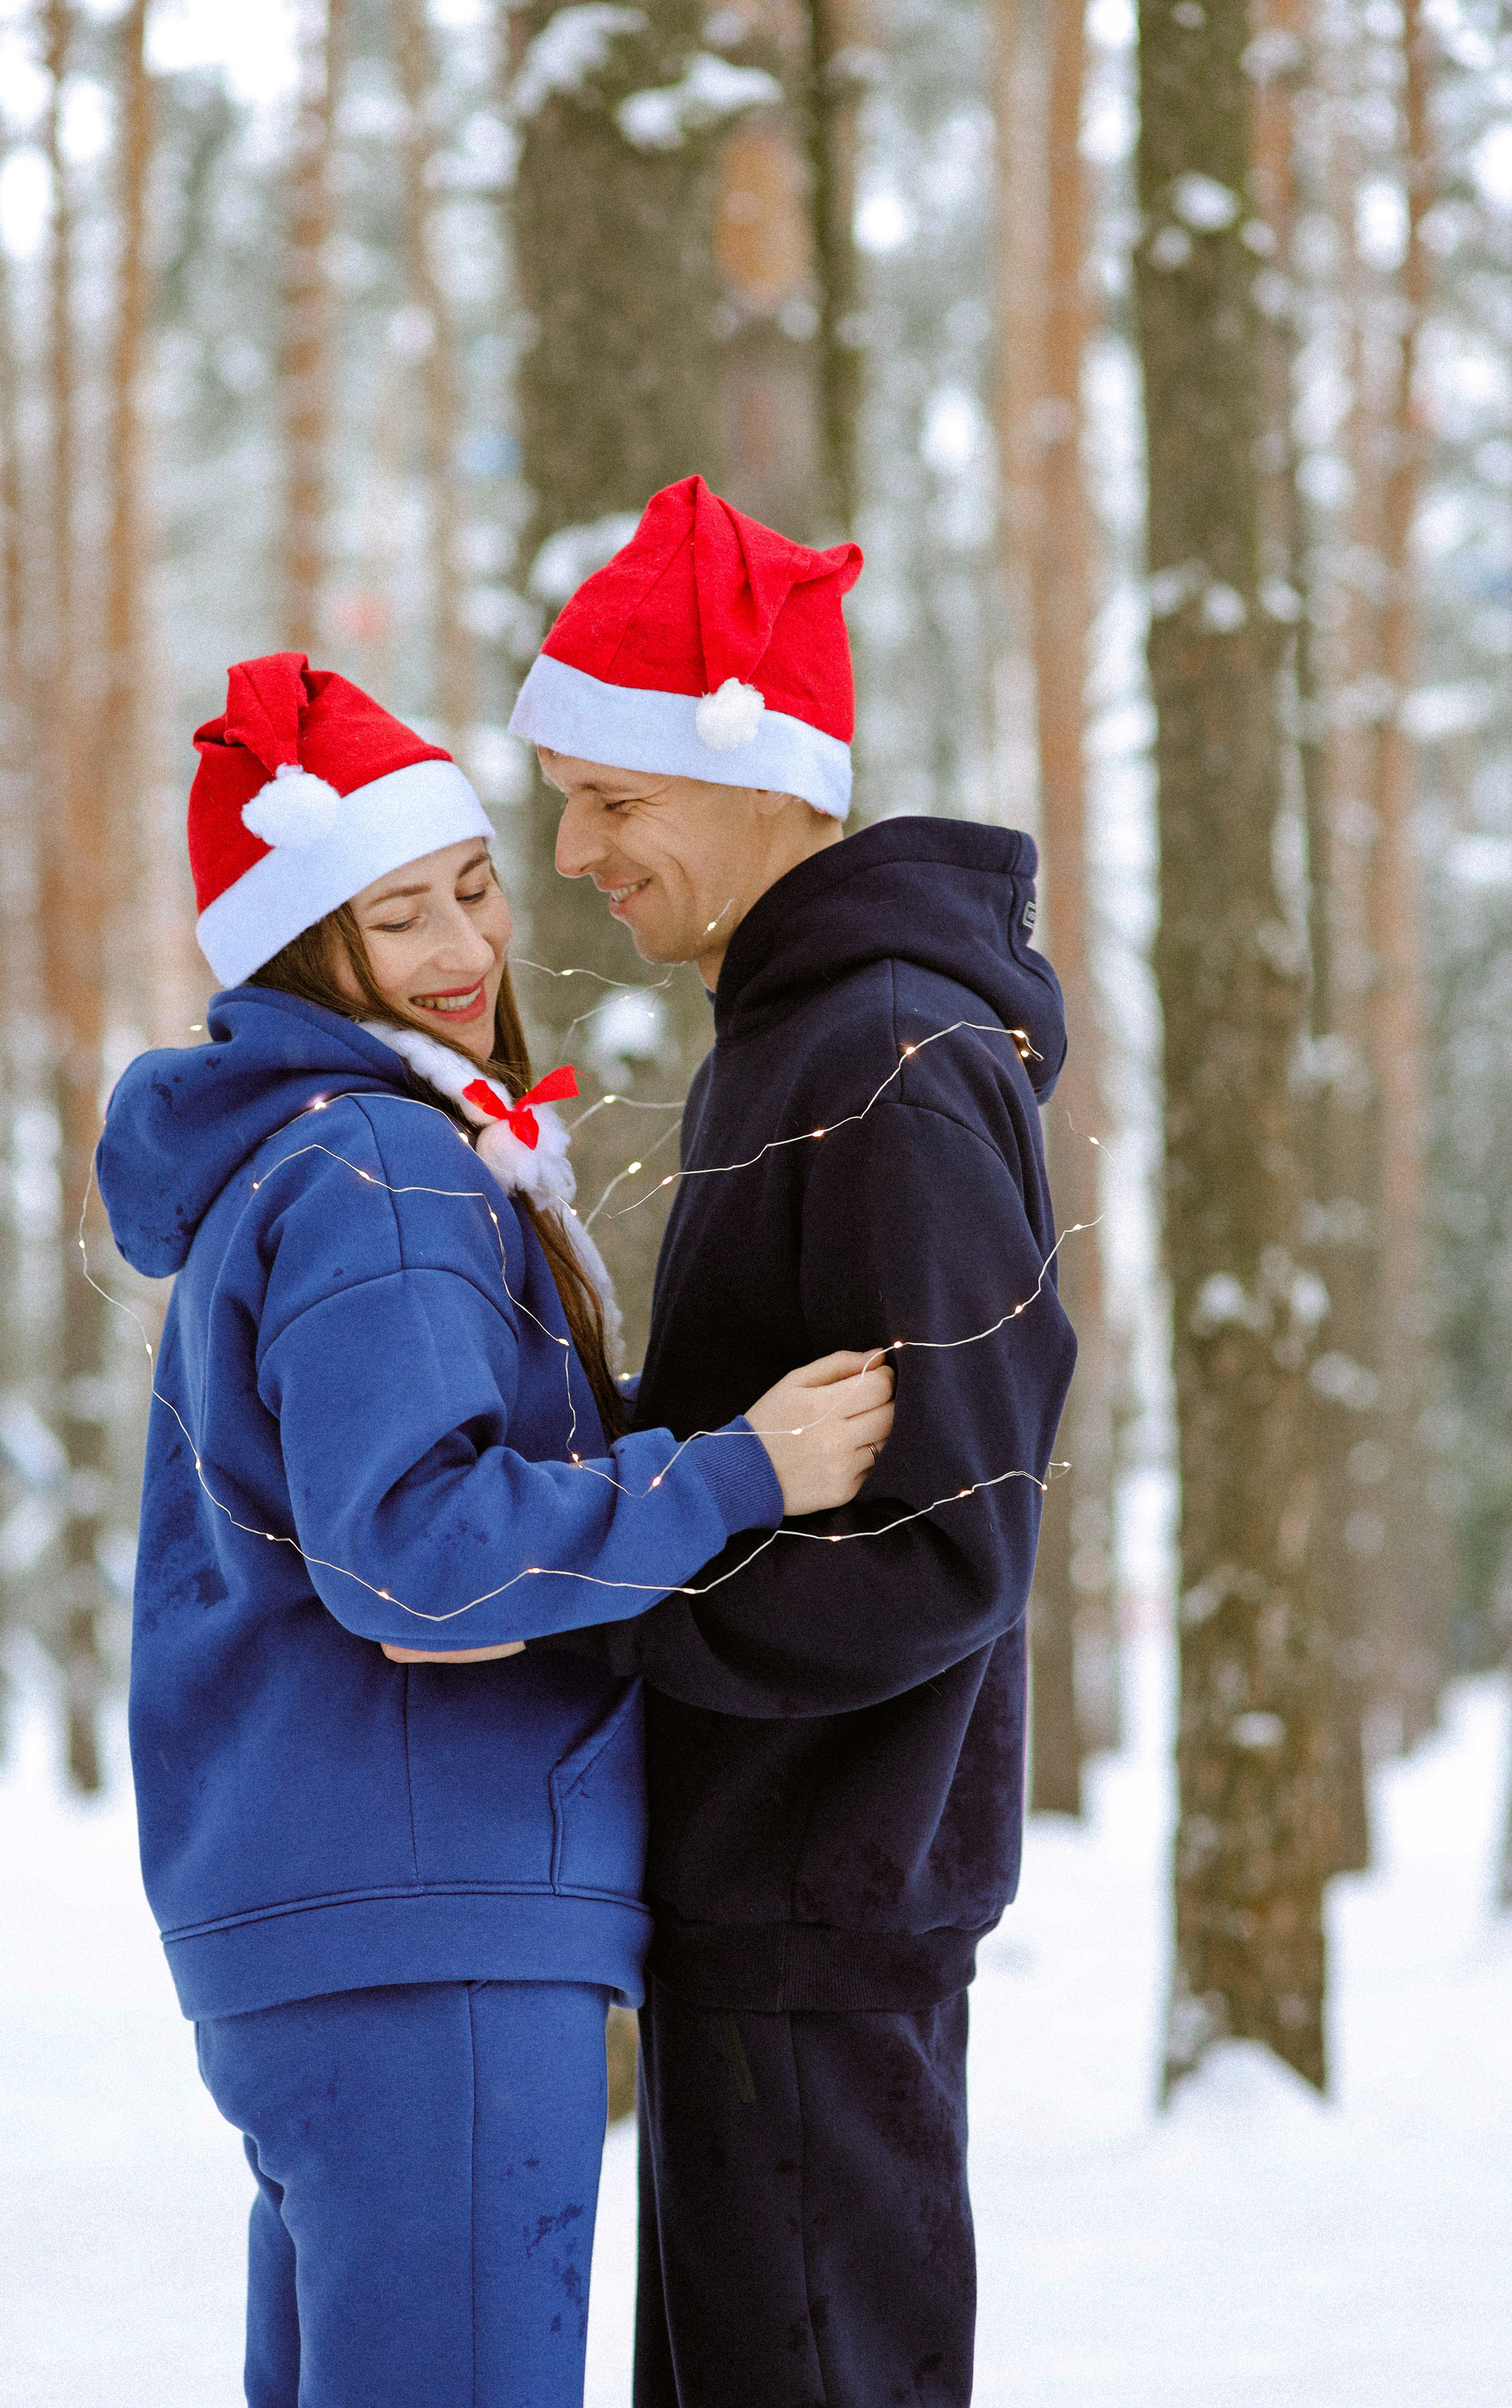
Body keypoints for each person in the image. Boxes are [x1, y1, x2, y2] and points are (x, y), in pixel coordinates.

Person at [95, 650, 895, 2408]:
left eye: (473, 891)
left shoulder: (299, 1164)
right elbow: (412, 1556)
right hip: (429, 1914)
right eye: (397, 922)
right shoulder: (381, 1171)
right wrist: (739, 1470)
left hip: (345, 1915)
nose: (463, 952)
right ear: (309, 952)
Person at [508, 476, 1078, 2408]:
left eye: (614, 798)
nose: (575, 850)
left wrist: (603, 1614)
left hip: (829, 1895)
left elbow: (952, 1537)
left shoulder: (892, 1060)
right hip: (763, 1889)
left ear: (755, 769)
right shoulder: (793, 1036)